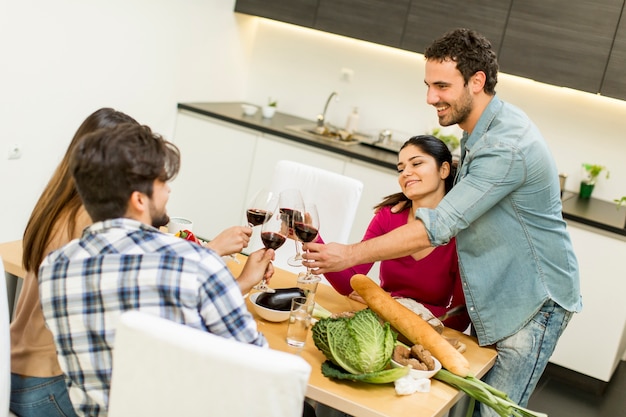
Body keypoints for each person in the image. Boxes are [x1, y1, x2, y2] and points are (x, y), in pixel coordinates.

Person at [304, 28, 581, 415]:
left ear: (477, 81)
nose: (431, 97)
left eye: (441, 86)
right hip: (503, 294)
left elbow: (440, 225)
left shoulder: (505, 145)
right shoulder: (481, 132)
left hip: (531, 304)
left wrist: (350, 253)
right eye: (428, 85)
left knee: (496, 412)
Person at [9, 108, 253, 417]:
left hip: (13, 366)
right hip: (48, 383)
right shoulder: (89, 219)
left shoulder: (56, 203)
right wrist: (212, 254)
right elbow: (147, 282)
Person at [322, 135, 470, 332]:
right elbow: (351, 285)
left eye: (416, 163)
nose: (406, 173)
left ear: (443, 170)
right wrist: (314, 239)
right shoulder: (388, 216)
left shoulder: (461, 235)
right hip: (381, 326)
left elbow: (459, 317)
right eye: (401, 169)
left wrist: (388, 303)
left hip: (428, 335)